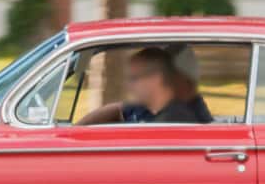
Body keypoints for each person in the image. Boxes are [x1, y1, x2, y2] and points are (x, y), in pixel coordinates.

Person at [76, 46, 211, 125]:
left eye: (134, 78)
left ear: (156, 79)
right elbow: (118, 109)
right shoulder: (151, 104)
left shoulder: (176, 118)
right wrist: (74, 131)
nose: (129, 85)